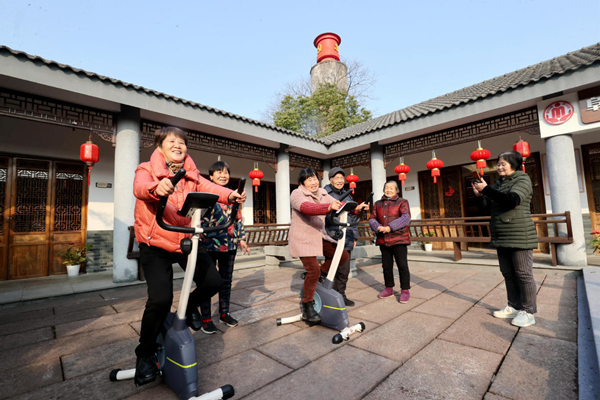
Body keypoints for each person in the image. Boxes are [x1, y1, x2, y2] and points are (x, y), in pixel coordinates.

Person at [132, 127, 246, 386]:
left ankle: (188, 308)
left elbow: (210, 187)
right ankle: (145, 354)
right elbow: (140, 188)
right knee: (160, 299)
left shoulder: (192, 174)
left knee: (213, 282)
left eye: (182, 142)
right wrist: (156, 187)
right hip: (155, 240)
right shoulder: (146, 169)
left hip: (184, 238)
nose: (178, 145)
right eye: (171, 141)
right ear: (160, 147)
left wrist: (231, 196)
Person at [472, 150, 538, 327]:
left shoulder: (522, 179)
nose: (499, 166)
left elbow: (512, 200)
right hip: (501, 233)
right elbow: (488, 208)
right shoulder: (498, 183)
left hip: (519, 232)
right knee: (508, 273)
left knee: (523, 274)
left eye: (503, 163)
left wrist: (486, 189)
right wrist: (480, 196)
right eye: (498, 163)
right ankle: (514, 306)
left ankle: (529, 311)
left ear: (514, 165)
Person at [289, 168, 349, 324]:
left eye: (315, 178)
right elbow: (307, 208)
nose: (313, 182)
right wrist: (328, 208)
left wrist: (355, 208)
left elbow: (338, 204)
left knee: (342, 256)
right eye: (309, 179)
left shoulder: (322, 193)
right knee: (312, 270)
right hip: (303, 238)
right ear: (302, 183)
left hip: (319, 235)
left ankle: (321, 273)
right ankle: (307, 305)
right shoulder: (297, 194)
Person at [198, 161, 251, 334]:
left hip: (229, 245)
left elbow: (238, 219)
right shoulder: (206, 193)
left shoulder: (233, 195)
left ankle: (224, 313)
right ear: (210, 176)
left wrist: (242, 239)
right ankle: (205, 318)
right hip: (209, 244)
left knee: (226, 281)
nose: (223, 175)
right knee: (207, 282)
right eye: (219, 172)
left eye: (226, 172)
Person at [324, 167, 369, 306]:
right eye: (336, 178)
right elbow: (323, 214)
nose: (340, 181)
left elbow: (350, 217)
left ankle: (340, 295)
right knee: (332, 268)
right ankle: (328, 296)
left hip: (347, 235)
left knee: (344, 270)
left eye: (341, 178)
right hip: (333, 235)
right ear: (330, 180)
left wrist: (354, 237)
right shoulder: (325, 193)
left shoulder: (347, 194)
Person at [369, 181, 412, 303]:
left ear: (396, 190)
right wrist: (377, 227)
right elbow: (372, 218)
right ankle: (389, 288)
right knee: (386, 266)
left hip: (399, 239)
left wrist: (389, 227)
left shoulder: (402, 202)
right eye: (386, 188)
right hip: (383, 240)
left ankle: (405, 290)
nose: (388, 190)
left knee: (402, 266)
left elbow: (406, 218)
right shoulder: (378, 203)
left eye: (391, 188)